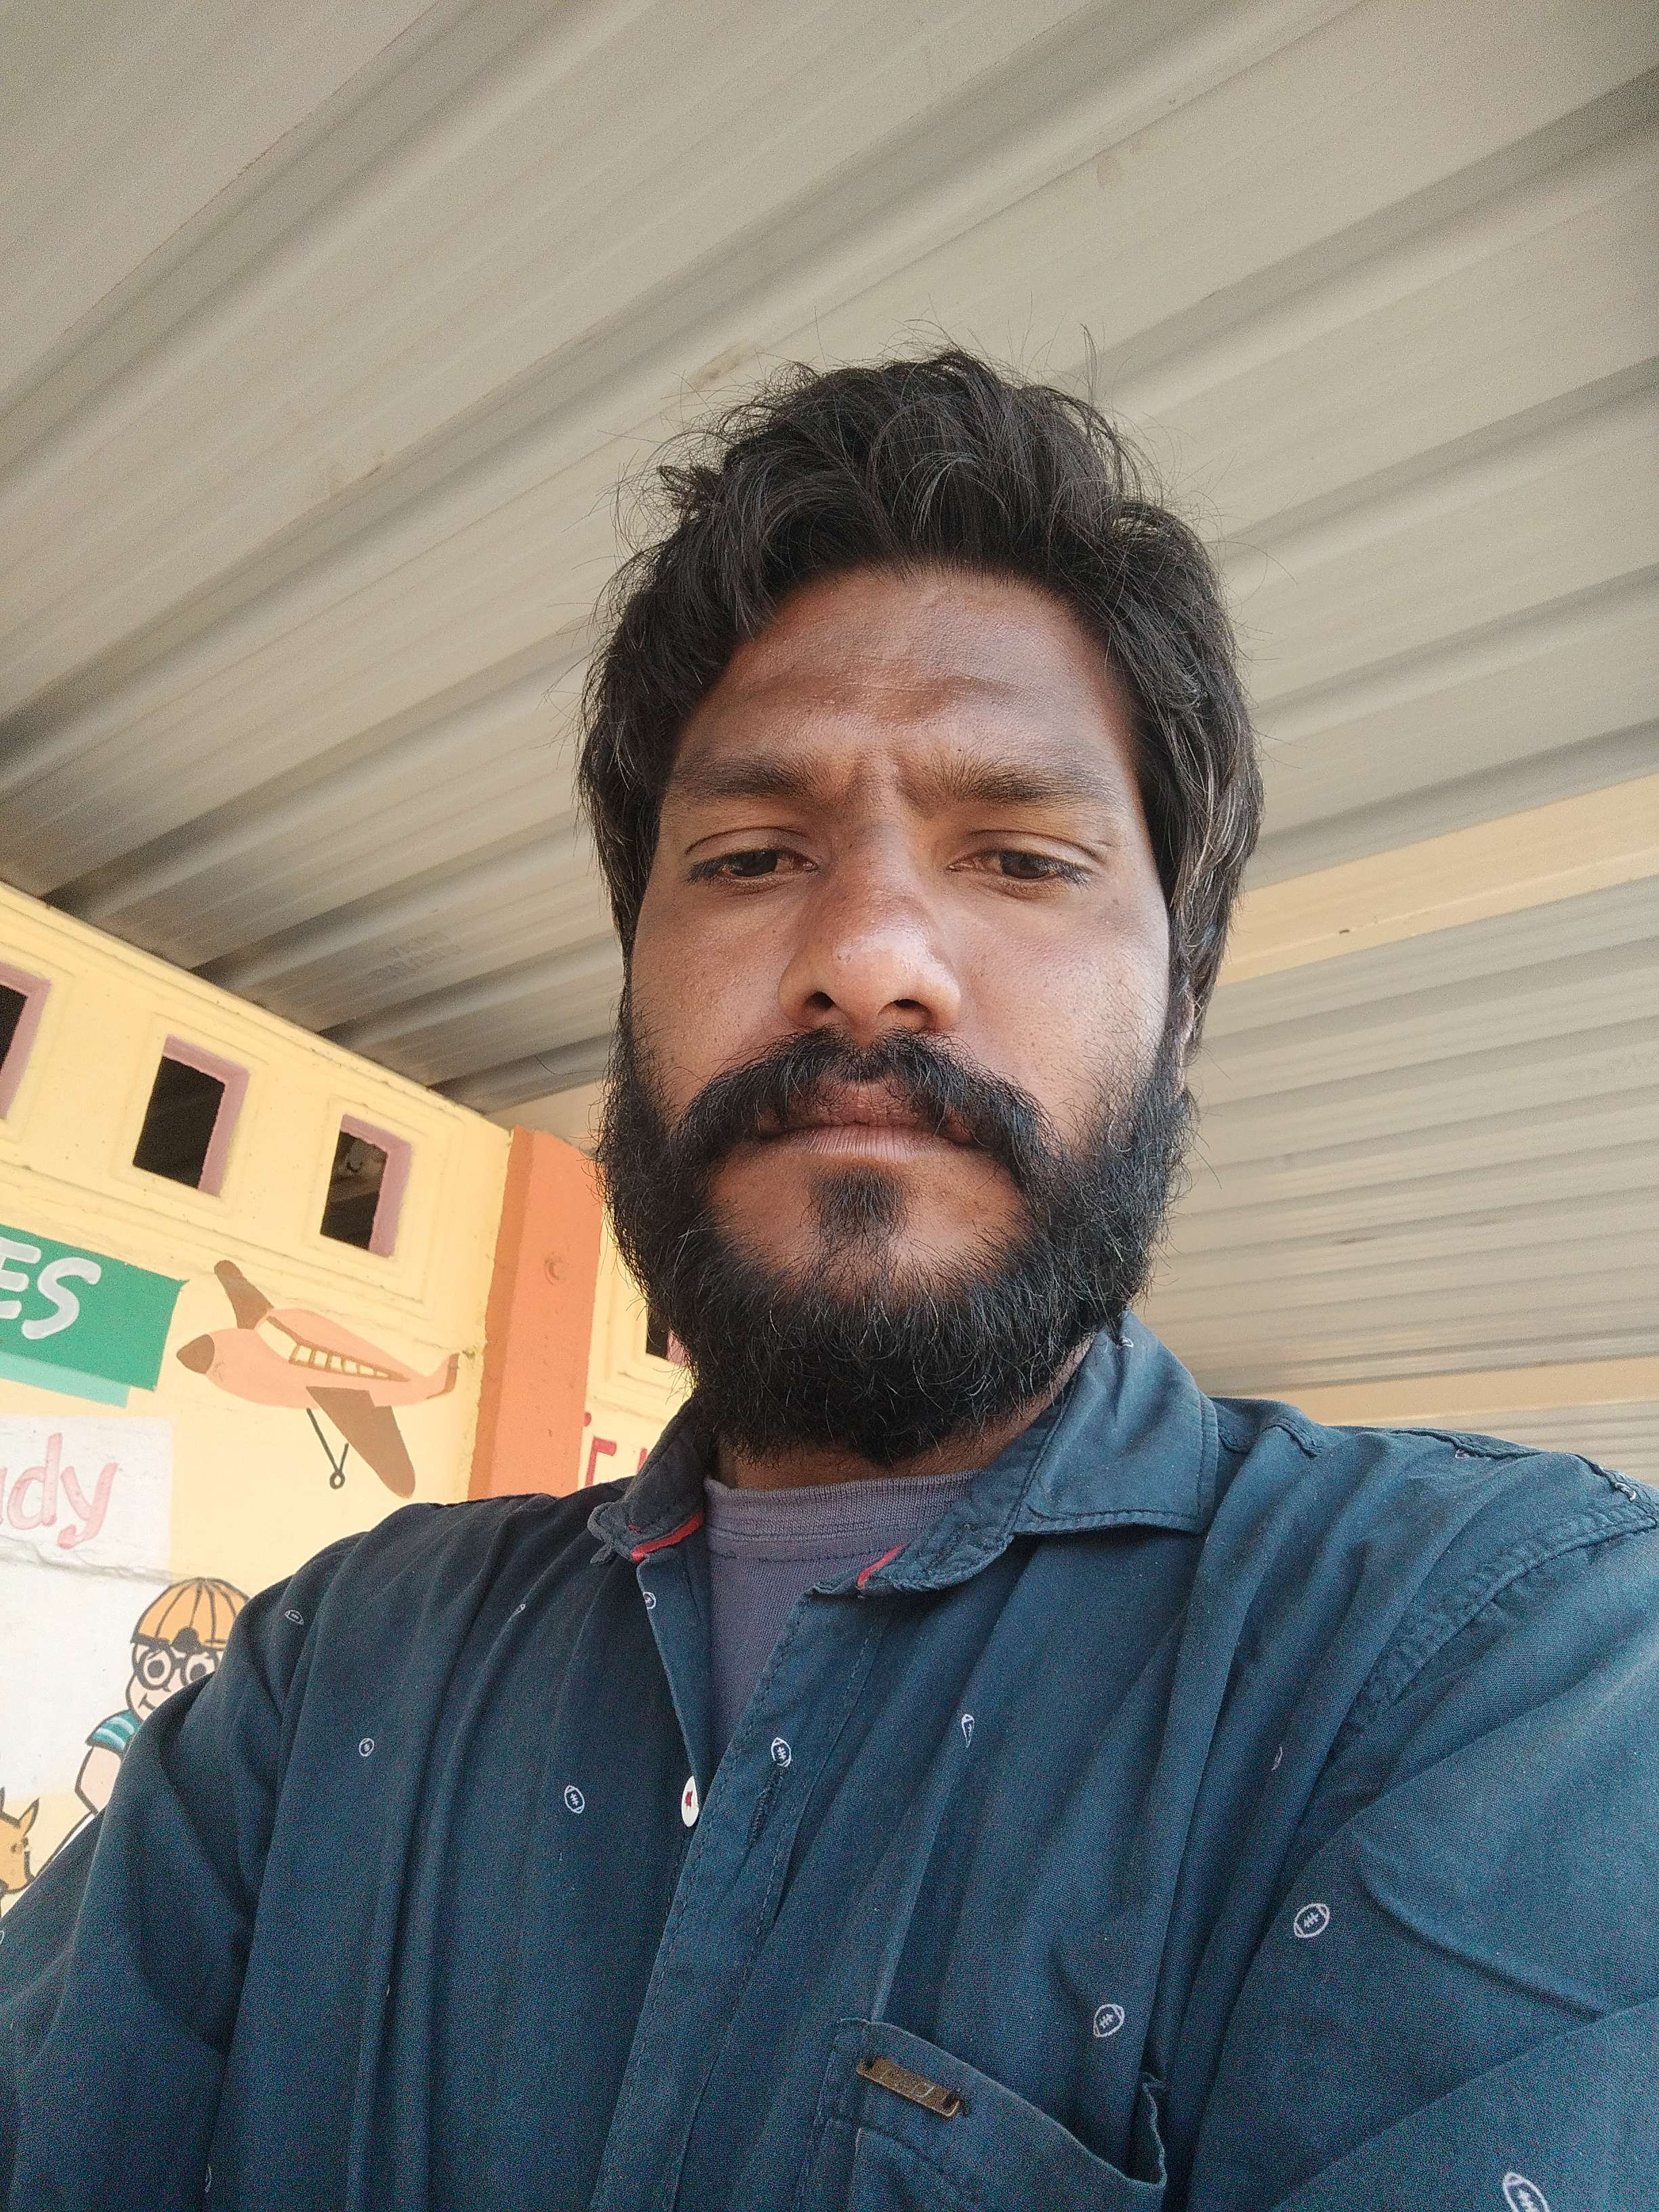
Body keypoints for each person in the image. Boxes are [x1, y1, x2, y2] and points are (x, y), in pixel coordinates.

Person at [2, 353, 1654, 2211]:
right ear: (634, 973)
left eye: (1018, 856)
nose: (868, 955)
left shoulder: (1504, 1657)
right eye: (751, 855)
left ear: (1182, 1003)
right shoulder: (332, 1677)